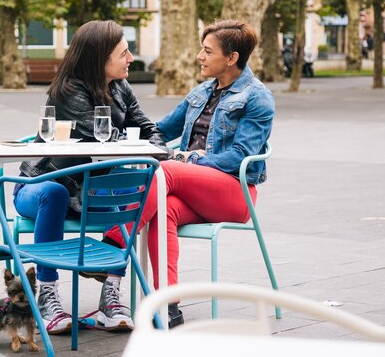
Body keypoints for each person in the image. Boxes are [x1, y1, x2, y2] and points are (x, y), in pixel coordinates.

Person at [102, 19, 275, 328]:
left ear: (232, 58)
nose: (200, 56)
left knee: (165, 171)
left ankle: (113, 245)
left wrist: (190, 160)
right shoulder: (201, 92)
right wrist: (114, 134)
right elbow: (159, 130)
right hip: (190, 186)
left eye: (208, 51)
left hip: (234, 193)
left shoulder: (257, 96)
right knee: (163, 208)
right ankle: (168, 306)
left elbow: (240, 156)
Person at [13, 20, 170, 334]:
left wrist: (149, 143)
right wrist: (137, 142)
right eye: (124, 53)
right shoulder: (70, 91)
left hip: (92, 192)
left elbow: (152, 132)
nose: (131, 59)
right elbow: (102, 138)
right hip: (42, 187)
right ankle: (47, 293)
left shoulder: (121, 88)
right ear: (100, 59)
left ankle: (111, 297)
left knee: (127, 189)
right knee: (56, 192)